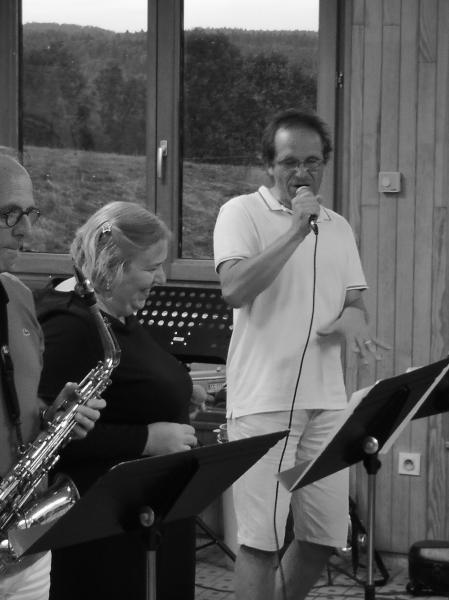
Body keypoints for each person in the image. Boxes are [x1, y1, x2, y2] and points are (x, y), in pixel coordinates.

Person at [213, 108, 388, 600]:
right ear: (269, 164)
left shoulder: (339, 227)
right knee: (260, 543)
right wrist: (294, 230)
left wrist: (351, 324)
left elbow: (355, 303)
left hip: (327, 403)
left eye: (313, 161)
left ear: (324, 164)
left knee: (325, 536)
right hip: (264, 403)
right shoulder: (240, 213)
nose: (302, 172)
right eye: (290, 161)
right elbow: (234, 290)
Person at [34, 201, 198, 600]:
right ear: (112, 266)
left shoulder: (114, 309)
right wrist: (147, 439)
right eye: (152, 266)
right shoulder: (70, 326)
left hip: (144, 518)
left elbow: (130, 382)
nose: (161, 277)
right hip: (104, 535)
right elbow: (47, 440)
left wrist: (178, 391)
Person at [0, 151, 105, 600]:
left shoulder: (18, 296)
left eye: (30, 212)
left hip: (25, 539)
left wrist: (51, 416)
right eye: (9, 214)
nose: (26, 229)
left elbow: (17, 405)